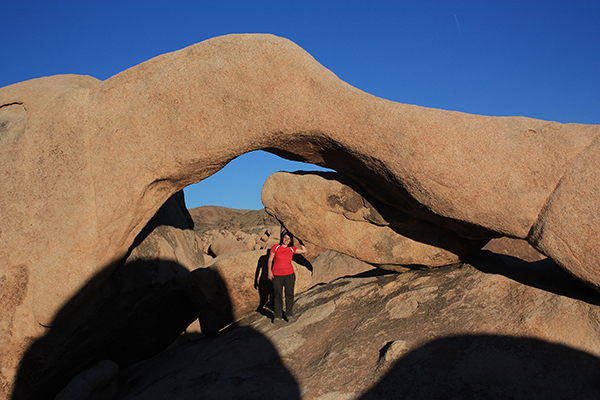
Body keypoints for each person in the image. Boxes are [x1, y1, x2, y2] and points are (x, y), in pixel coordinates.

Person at [267, 232, 306, 322]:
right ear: (282, 238)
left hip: (289, 275)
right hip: (277, 275)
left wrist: (300, 241)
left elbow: (304, 251)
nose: (286, 240)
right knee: (277, 295)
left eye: (288, 239)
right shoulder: (276, 247)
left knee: (289, 295)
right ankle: (277, 315)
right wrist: (269, 272)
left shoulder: (292, 249)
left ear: (290, 241)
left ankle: (289, 314)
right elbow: (270, 260)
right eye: (285, 238)